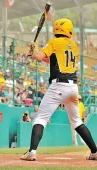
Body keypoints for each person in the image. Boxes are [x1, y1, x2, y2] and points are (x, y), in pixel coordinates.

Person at [20, 18, 97, 161]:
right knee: (77, 122)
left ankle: (32, 151)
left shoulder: (54, 42)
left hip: (58, 85)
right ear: (68, 30)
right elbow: (51, 59)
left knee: (41, 118)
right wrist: (35, 51)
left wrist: (34, 50)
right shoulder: (73, 45)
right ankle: (95, 151)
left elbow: (40, 56)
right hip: (73, 87)